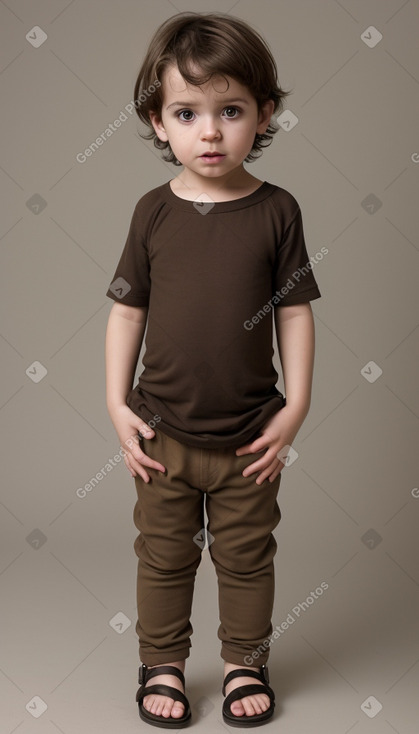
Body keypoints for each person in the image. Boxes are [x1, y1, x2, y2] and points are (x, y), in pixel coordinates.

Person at [105, 11, 321, 728]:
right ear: (157, 121)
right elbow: (127, 312)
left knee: (246, 558)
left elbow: (293, 313)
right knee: (162, 558)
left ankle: (242, 664)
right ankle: (161, 662)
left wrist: (295, 408)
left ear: (264, 114)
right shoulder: (151, 214)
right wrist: (116, 403)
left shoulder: (276, 211)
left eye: (229, 111)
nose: (209, 132)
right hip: (161, 433)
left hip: (250, 438)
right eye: (187, 112)